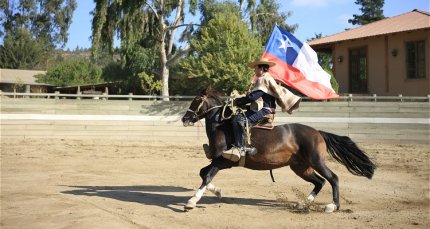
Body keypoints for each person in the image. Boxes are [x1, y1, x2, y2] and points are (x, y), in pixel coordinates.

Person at [222, 57, 301, 162]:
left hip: (264, 111)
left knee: (238, 119)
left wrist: (237, 101)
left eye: (255, 68)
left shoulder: (262, 79)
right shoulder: (267, 78)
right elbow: (258, 99)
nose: (254, 70)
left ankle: (239, 148)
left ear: (261, 69)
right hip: (265, 109)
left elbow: (253, 97)